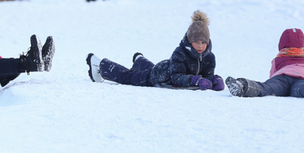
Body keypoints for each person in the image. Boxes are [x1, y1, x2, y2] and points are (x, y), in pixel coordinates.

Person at [87, 10, 225, 91]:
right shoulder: (180, 53)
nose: (200, 46)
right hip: (158, 76)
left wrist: (214, 80)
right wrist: (194, 80)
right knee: (128, 77)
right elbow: (176, 78)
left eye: (203, 42)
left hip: (164, 68)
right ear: (189, 42)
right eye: (196, 42)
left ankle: (139, 60)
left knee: (149, 68)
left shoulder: (209, 57)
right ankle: (99, 64)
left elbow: (206, 77)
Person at [225, 28, 304, 100]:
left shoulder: (279, 59)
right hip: (303, 79)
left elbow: (272, 74)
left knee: (266, 88)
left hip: (282, 79)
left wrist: (274, 84)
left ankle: (243, 86)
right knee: (301, 89)